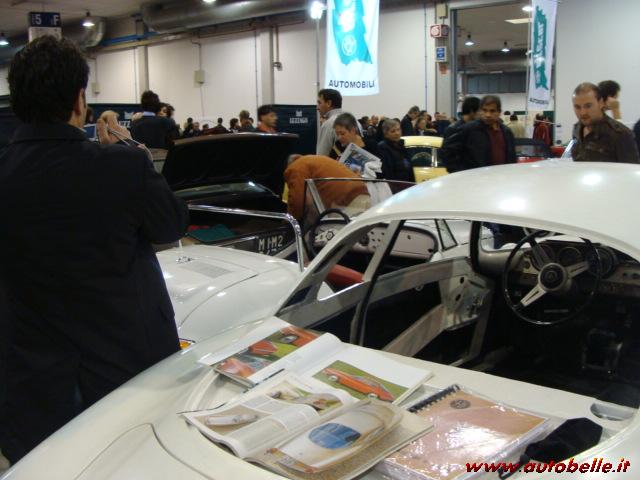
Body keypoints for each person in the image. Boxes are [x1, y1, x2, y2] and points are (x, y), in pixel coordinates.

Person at [0, 36, 188, 463]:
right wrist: (129, 150)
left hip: (30, 381)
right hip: (126, 374)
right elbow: (171, 224)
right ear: (80, 99)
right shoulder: (123, 166)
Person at [440, 95, 516, 172]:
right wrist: (460, 172)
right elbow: (447, 151)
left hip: (502, 176)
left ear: (499, 112)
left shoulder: (506, 132)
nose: (488, 115)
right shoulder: (469, 129)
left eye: (492, 111)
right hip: (477, 177)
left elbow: (512, 157)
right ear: (480, 111)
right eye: (484, 110)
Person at [284, 155, 368, 221]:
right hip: (363, 195)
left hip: (346, 203)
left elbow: (297, 200)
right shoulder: (315, 161)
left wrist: (289, 221)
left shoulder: (296, 167)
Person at [571, 82, 639, 163]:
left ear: (601, 103)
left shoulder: (620, 134)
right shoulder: (577, 128)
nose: (582, 112)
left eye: (588, 106)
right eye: (577, 107)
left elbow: (631, 168)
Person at [316, 88, 344, 156]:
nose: (317, 107)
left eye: (319, 103)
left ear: (329, 103)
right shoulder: (354, 120)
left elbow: (321, 156)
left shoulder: (329, 124)